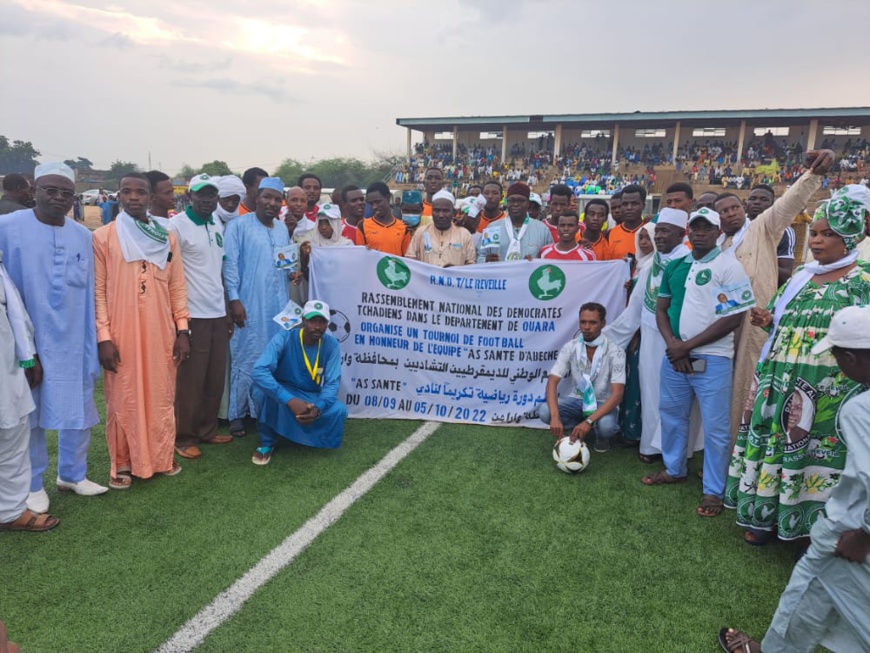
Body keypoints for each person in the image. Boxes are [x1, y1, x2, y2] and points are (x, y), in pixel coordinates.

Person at [718, 308, 870, 653]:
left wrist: (864, 534)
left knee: (807, 589)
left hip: (850, 531)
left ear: (850, 357)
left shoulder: (860, 409)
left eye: (835, 354)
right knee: (813, 596)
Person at [725, 188, 870, 544]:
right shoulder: (803, 275)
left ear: (849, 237)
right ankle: (764, 517)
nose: (817, 241)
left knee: (817, 453)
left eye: (828, 234)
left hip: (831, 390)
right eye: (815, 234)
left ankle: (811, 527)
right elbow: (780, 318)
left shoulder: (863, 280)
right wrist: (766, 318)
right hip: (780, 380)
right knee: (776, 446)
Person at [0, 162, 105, 513]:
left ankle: (73, 475)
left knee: (80, 407)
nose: (59, 198)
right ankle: (31, 485)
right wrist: (24, 350)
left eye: (66, 192)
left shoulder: (83, 236)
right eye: (51, 190)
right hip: (26, 344)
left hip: (75, 340)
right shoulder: (7, 227)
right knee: (30, 416)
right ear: (34, 189)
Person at [715, 149, 833, 448]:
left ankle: (742, 453)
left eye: (733, 208)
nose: (729, 214)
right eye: (722, 211)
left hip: (754, 323)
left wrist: (813, 175)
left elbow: (789, 203)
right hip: (720, 324)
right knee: (721, 389)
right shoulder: (718, 244)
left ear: (742, 209)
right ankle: (716, 450)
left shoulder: (761, 228)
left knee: (747, 388)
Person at [644, 208, 755, 518]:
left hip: (713, 359)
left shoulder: (729, 266)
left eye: (706, 228)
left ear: (718, 232)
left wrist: (687, 347)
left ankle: (713, 491)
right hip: (675, 357)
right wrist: (673, 346)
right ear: (688, 230)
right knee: (672, 415)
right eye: (695, 227)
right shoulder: (676, 265)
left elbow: (733, 318)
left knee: (716, 428)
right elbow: (662, 310)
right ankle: (674, 468)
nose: (699, 233)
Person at [94, 172, 191, 489]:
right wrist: (104, 338)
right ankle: (122, 462)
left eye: (140, 192)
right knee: (124, 397)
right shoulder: (104, 237)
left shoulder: (167, 238)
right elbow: (99, 293)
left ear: (150, 197)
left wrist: (183, 330)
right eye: (126, 191)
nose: (133, 197)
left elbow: (177, 287)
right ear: (118, 196)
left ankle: (160, 458)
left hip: (160, 330)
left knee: (160, 394)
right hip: (121, 332)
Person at [605, 209, 702, 462]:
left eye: (665, 231)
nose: (659, 236)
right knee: (650, 393)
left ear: (682, 234)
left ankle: (676, 450)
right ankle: (651, 447)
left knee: (677, 397)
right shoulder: (651, 264)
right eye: (657, 231)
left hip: (679, 340)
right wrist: (606, 338)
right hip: (650, 337)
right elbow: (635, 309)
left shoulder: (690, 263)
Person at [166, 174, 234, 460]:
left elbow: (218, 269)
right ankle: (184, 437)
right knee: (190, 381)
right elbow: (169, 272)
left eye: (211, 195)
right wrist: (179, 320)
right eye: (201, 195)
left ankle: (207, 429)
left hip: (217, 311)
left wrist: (227, 308)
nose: (206, 200)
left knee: (214, 376)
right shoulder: (176, 226)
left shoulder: (215, 223)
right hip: (193, 314)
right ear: (188, 197)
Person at [223, 177, 291, 438]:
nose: (272, 203)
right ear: (256, 197)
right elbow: (229, 265)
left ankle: (265, 410)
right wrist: (234, 299)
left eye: (277, 199)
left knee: (274, 356)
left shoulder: (282, 229)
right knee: (246, 353)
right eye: (267, 197)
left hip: (278, 303)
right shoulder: (238, 226)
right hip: (249, 303)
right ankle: (238, 414)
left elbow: (284, 264)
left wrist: (293, 273)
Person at [0, 251, 59, 532]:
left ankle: (10, 511)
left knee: (13, 431)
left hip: (8, 363)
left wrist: (30, 353)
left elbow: (13, 309)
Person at [251, 300, 348, 465]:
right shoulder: (284, 338)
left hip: (310, 394)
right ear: (303, 320)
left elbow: (332, 383)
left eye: (322, 321)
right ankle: (267, 443)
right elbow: (258, 370)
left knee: (339, 410)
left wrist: (319, 408)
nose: (317, 326)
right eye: (312, 321)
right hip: (283, 390)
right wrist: (289, 400)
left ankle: (302, 428)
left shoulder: (331, 345)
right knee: (259, 392)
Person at [539, 303, 625, 453]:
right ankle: (576, 427)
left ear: (603, 323)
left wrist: (589, 421)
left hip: (601, 403)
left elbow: (617, 394)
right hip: (576, 400)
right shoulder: (570, 347)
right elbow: (552, 381)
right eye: (583, 322)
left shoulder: (615, 352)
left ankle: (599, 434)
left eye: (592, 322)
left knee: (607, 427)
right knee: (545, 411)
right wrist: (555, 417)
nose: (586, 327)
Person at [479, 182, 552, 262]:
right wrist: (486, 260)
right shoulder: (492, 228)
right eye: (511, 200)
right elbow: (480, 256)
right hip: (498, 274)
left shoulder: (542, 230)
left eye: (521, 201)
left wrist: (534, 263)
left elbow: (549, 258)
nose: (516, 204)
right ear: (507, 202)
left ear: (528, 203)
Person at [405, 190, 475, 267]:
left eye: (446, 211)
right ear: (432, 211)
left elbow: (471, 265)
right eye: (436, 210)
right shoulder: (421, 232)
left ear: (453, 212)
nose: (441, 215)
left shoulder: (464, 235)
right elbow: (410, 261)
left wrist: (455, 271)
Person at [745, 185, 797, 287]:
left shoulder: (783, 231)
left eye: (764, 199)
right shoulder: (735, 227)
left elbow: (785, 275)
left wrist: (751, 261)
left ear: (773, 205)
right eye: (752, 198)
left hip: (764, 292)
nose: (757, 202)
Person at [356, 182, 411, 255]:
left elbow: (407, 259)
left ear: (387, 198)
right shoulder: (362, 226)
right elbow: (360, 256)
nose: (374, 207)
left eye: (377, 202)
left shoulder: (403, 228)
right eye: (371, 204)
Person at [608, 184, 646, 259]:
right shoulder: (611, 234)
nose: (629, 208)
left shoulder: (652, 231)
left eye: (634, 204)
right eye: (625, 204)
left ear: (643, 205)